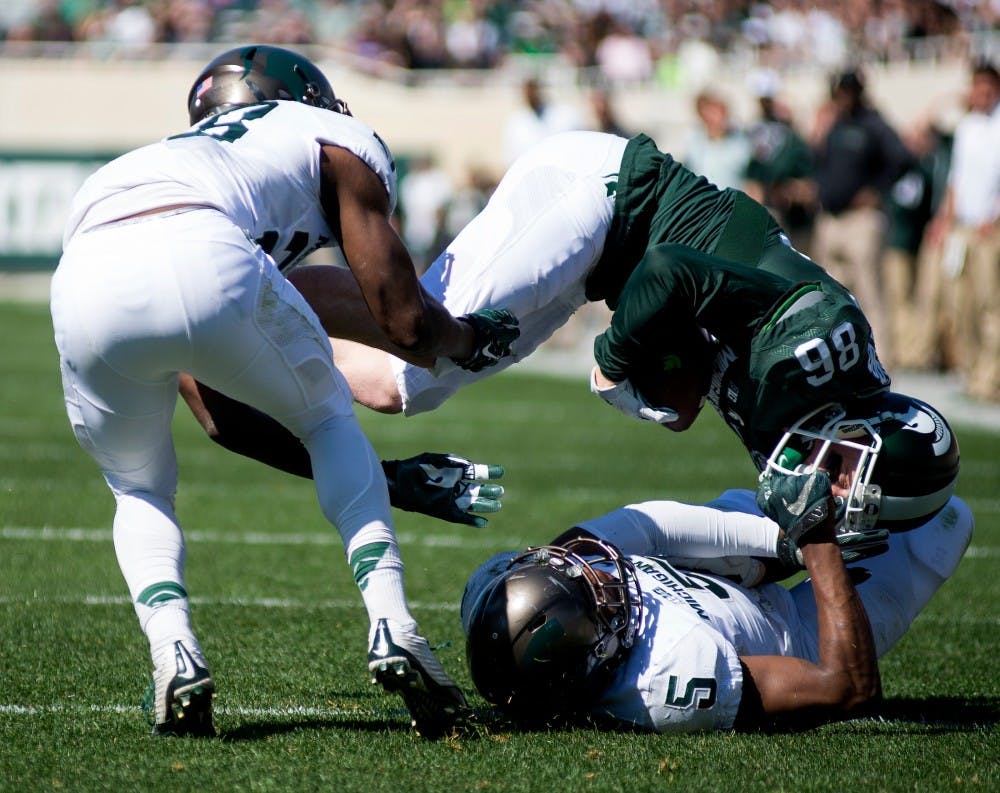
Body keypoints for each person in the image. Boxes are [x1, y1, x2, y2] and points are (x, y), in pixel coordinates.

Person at [49, 44, 518, 740]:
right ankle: (393, 623)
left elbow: (214, 412)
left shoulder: (168, 160)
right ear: (298, 97)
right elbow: (409, 323)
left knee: (139, 489)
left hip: (82, 276)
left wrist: (392, 479)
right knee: (330, 419)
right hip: (204, 245)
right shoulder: (331, 138)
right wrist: (468, 338)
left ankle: (173, 651)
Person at [183, 128, 959, 534]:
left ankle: (266, 325)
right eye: (854, 475)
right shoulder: (816, 346)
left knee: (402, 387)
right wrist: (616, 363)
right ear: (866, 432)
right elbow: (669, 278)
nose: (838, 484)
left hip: (599, 256)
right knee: (420, 322)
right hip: (603, 196)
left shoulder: (822, 405)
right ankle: (238, 282)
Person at [461, 469, 974, 732]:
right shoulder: (668, 679)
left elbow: (650, 526)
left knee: (795, 476)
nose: (600, 575)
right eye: (602, 603)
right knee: (947, 521)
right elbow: (847, 688)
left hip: (709, 570)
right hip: (796, 629)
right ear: (596, 660)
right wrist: (818, 547)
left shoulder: (498, 590)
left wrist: (778, 545)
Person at [810, 69, 915, 368]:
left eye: (847, 91)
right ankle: (840, 358)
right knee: (832, 293)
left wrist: (876, 190)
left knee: (870, 292)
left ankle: (881, 357)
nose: (842, 97)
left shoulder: (874, 124)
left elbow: (903, 160)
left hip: (862, 220)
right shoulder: (834, 125)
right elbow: (820, 163)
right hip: (832, 219)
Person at [923, 61, 1000, 402]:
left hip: (990, 230)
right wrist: (945, 219)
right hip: (964, 228)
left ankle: (990, 376)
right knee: (961, 304)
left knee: (990, 305)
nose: (980, 93)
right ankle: (971, 372)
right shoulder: (967, 126)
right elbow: (956, 180)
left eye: (987, 87)